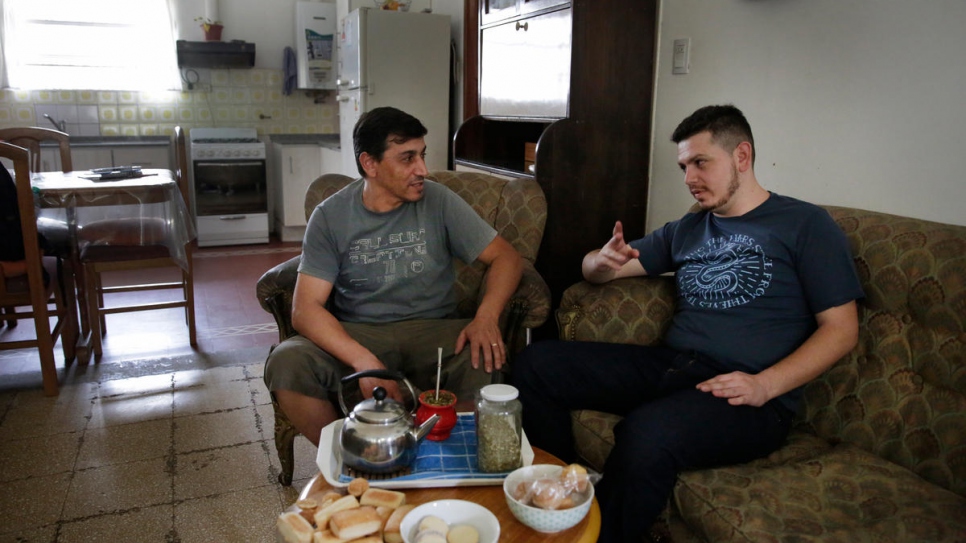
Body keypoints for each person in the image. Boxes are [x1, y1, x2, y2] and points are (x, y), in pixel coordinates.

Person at [511, 104, 863, 542]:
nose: (689, 178)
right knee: (536, 364)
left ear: (742, 156)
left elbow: (842, 329)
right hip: (674, 365)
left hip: (749, 396)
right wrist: (601, 261)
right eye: (683, 166)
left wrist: (765, 386)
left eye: (701, 163)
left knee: (645, 435)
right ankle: (566, 497)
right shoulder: (689, 228)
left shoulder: (804, 224)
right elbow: (596, 270)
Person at [264, 106, 523, 446]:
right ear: (369, 163)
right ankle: (350, 461)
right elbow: (305, 308)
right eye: (407, 158)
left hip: (435, 333)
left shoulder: (439, 201)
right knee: (286, 362)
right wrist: (364, 361)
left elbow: (507, 257)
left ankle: (443, 461)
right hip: (360, 333)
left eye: (422, 155)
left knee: (482, 354)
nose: (423, 170)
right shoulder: (331, 216)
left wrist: (486, 316)